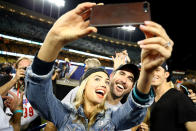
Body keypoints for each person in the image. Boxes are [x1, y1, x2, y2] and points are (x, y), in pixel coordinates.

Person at [25, 2, 173, 130]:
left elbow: (135, 111)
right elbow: (37, 94)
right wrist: (53, 39)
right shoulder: (63, 115)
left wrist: (147, 71)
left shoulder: (113, 119)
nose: (104, 84)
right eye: (97, 79)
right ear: (83, 86)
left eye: (106, 82)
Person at [150, 62, 196, 131]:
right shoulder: (148, 99)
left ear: (166, 74)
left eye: (157, 70)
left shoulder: (180, 98)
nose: (153, 73)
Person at [4, 57, 41, 130]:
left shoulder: (38, 86)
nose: (25, 71)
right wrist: (14, 80)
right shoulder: (6, 80)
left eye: (28, 68)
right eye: (22, 68)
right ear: (16, 69)